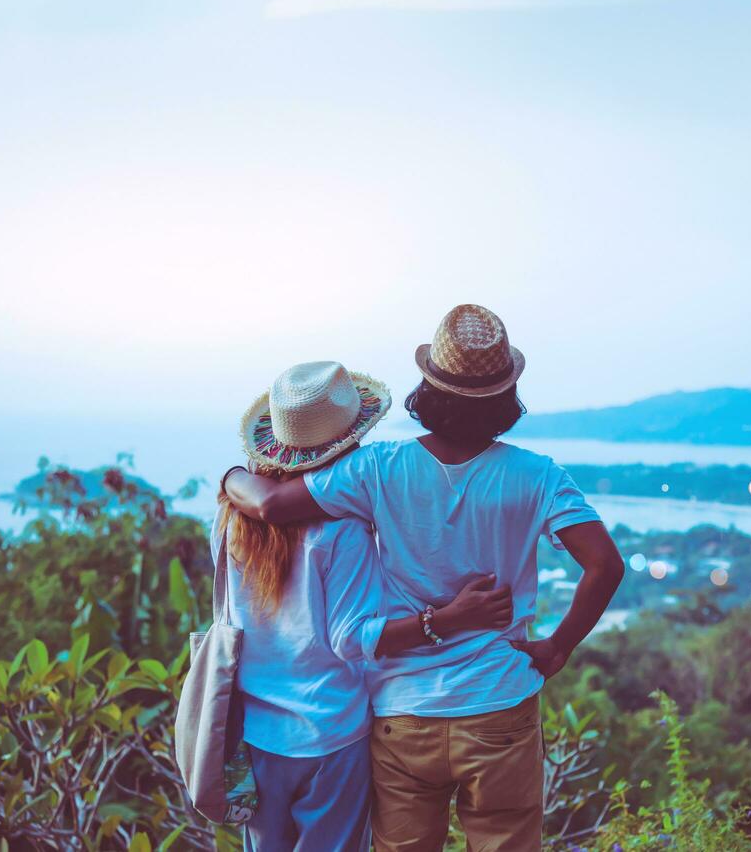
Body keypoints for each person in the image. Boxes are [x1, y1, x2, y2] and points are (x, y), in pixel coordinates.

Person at [225, 305, 626, 852]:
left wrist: (229, 475)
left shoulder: (377, 468)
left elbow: (271, 504)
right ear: (506, 398)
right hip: (499, 703)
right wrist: (557, 648)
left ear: (428, 391)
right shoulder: (538, 475)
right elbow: (605, 565)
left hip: (403, 711)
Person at [216, 360, 517, 852]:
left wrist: (231, 476)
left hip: (258, 731)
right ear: (348, 445)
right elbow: (353, 639)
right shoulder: (343, 531)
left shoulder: (232, 519)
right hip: (331, 733)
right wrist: (447, 620)